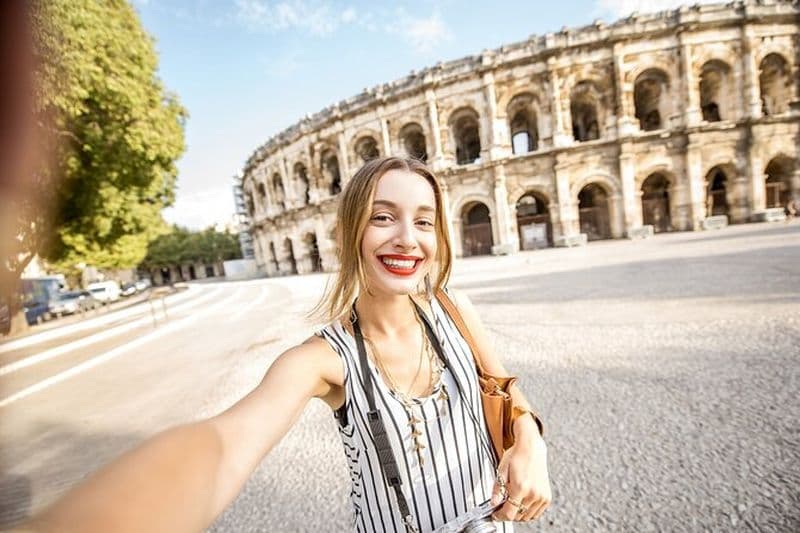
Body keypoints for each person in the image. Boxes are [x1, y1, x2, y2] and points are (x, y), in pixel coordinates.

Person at [22, 157, 551, 532]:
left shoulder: (456, 312)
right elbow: (223, 445)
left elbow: (504, 389)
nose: (407, 239)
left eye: (424, 222)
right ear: (350, 234)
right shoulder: (322, 361)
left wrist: (530, 440)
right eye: (383, 217)